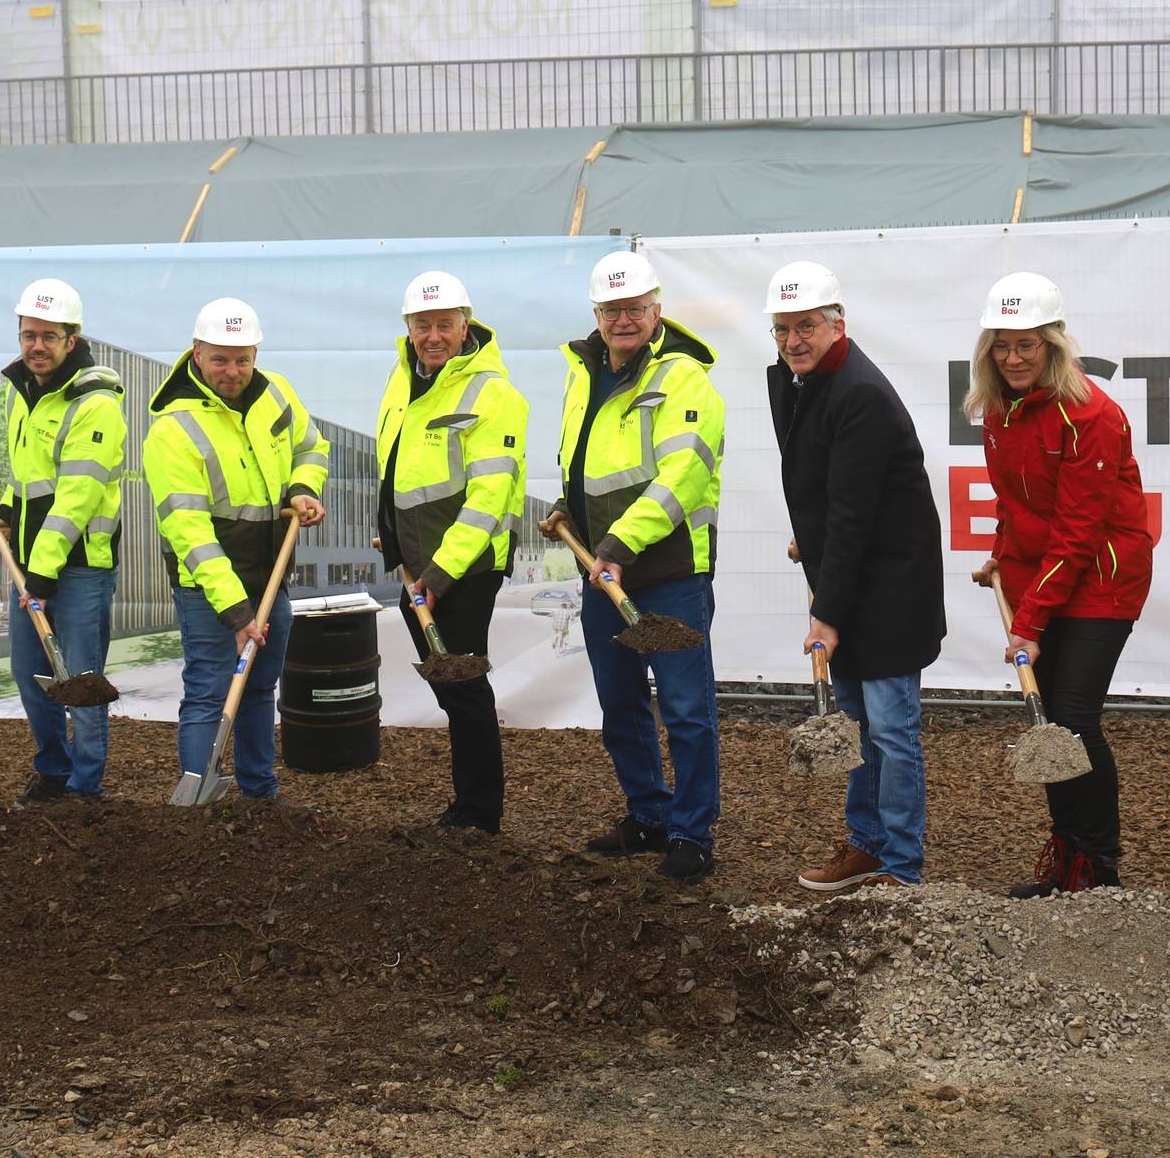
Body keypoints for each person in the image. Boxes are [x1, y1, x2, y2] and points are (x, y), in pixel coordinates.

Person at [963, 272, 1156, 896]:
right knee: (1047, 720)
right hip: (1039, 574)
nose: (1014, 358)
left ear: (1054, 343)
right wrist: (1000, 553)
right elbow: (1013, 501)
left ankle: (1097, 870)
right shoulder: (1000, 411)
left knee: (1071, 720)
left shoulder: (1091, 415)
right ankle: (1068, 854)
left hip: (1101, 578)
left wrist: (1029, 623)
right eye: (1002, 345)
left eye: (1027, 344)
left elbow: (1077, 532)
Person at [763, 263, 947, 896]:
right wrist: (808, 541)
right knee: (859, 725)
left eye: (807, 326)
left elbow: (854, 513)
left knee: (891, 731)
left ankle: (901, 865)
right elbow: (830, 489)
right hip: (853, 571)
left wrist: (827, 614)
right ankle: (867, 845)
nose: (793, 340)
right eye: (782, 329)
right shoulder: (806, 383)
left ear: (837, 323)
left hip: (891, 588)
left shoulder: (858, 392)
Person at [550, 250, 727, 882]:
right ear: (597, 314)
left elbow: (684, 475)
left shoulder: (684, 379)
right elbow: (587, 460)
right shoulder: (584, 371)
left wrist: (617, 546)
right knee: (619, 702)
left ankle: (691, 831)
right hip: (602, 572)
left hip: (670, 572)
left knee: (684, 707)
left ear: (657, 310)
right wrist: (569, 508)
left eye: (634, 309)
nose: (623, 320)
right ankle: (648, 816)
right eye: (612, 310)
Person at [142, 297, 329, 802]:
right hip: (209, 588)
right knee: (209, 691)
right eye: (220, 358)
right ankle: (198, 796)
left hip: (272, 576)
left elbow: (312, 447)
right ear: (196, 353)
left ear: (256, 354)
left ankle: (259, 792)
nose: (233, 370)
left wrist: (302, 489)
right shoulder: (172, 430)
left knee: (260, 689)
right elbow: (190, 532)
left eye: (243, 358)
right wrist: (237, 611)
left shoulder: (277, 395)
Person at [375, 270, 528, 833]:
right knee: (449, 684)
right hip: (417, 566)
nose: (433, 335)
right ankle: (469, 804)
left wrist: (439, 574)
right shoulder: (404, 381)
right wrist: (396, 546)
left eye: (444, 324)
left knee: (462, 686)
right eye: (423, 325)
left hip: (463, 567)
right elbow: (394, 472)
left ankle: (478, 813)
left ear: (466, 326)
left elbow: (490, 496)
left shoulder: (493, 394)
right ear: (409, 329)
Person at [0, 278, 127, 804]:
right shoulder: (22, 392)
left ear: (72, 339)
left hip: (80, 566)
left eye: (49, 336)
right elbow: (28, 475)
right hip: (31, 563)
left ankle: (85, 787)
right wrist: (5, 508)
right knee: (31, 676)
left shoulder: (96, 403)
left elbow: (77, 496)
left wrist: (41, 572)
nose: (36, 346)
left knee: (80, 683)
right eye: (28, 335)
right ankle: (51, 772)